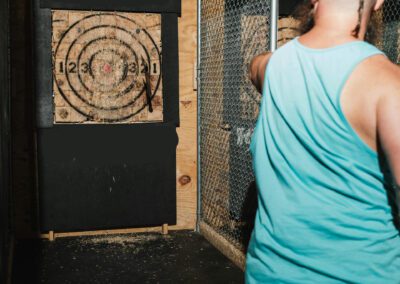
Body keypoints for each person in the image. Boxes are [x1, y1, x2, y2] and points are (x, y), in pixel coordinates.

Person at [245, 0, 400, 282]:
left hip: (269, 274)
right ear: (377, 3)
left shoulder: (272, 66)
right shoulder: (387, 82)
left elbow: (255, 66)